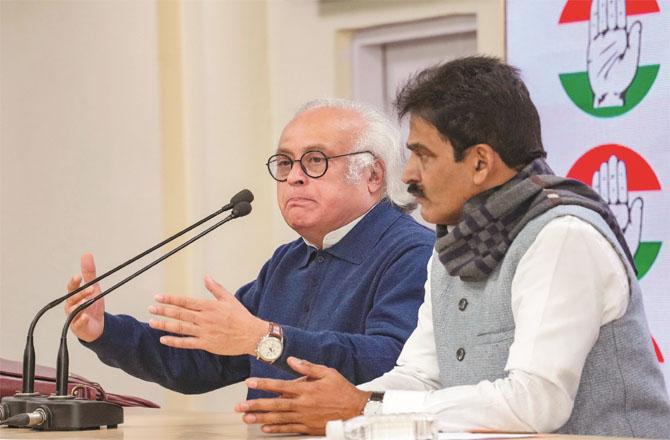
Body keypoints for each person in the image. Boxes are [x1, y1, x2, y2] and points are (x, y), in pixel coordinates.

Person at [234, 57, 670, 438]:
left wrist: (362, 407)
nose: (407, 176)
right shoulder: (456, 241)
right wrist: (338, 403)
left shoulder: (562, 236)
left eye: (424, 155)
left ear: (480, 162)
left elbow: (535, 402)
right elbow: (422, 376)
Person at [64, 99, 434, 399]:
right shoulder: (287, 262)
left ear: (373, 176)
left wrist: (266, 339)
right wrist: (103, 331)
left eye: (316, 160)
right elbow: (202, 362)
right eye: (286, 162)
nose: (293, 176)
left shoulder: (414, 254)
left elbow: (393, 364)